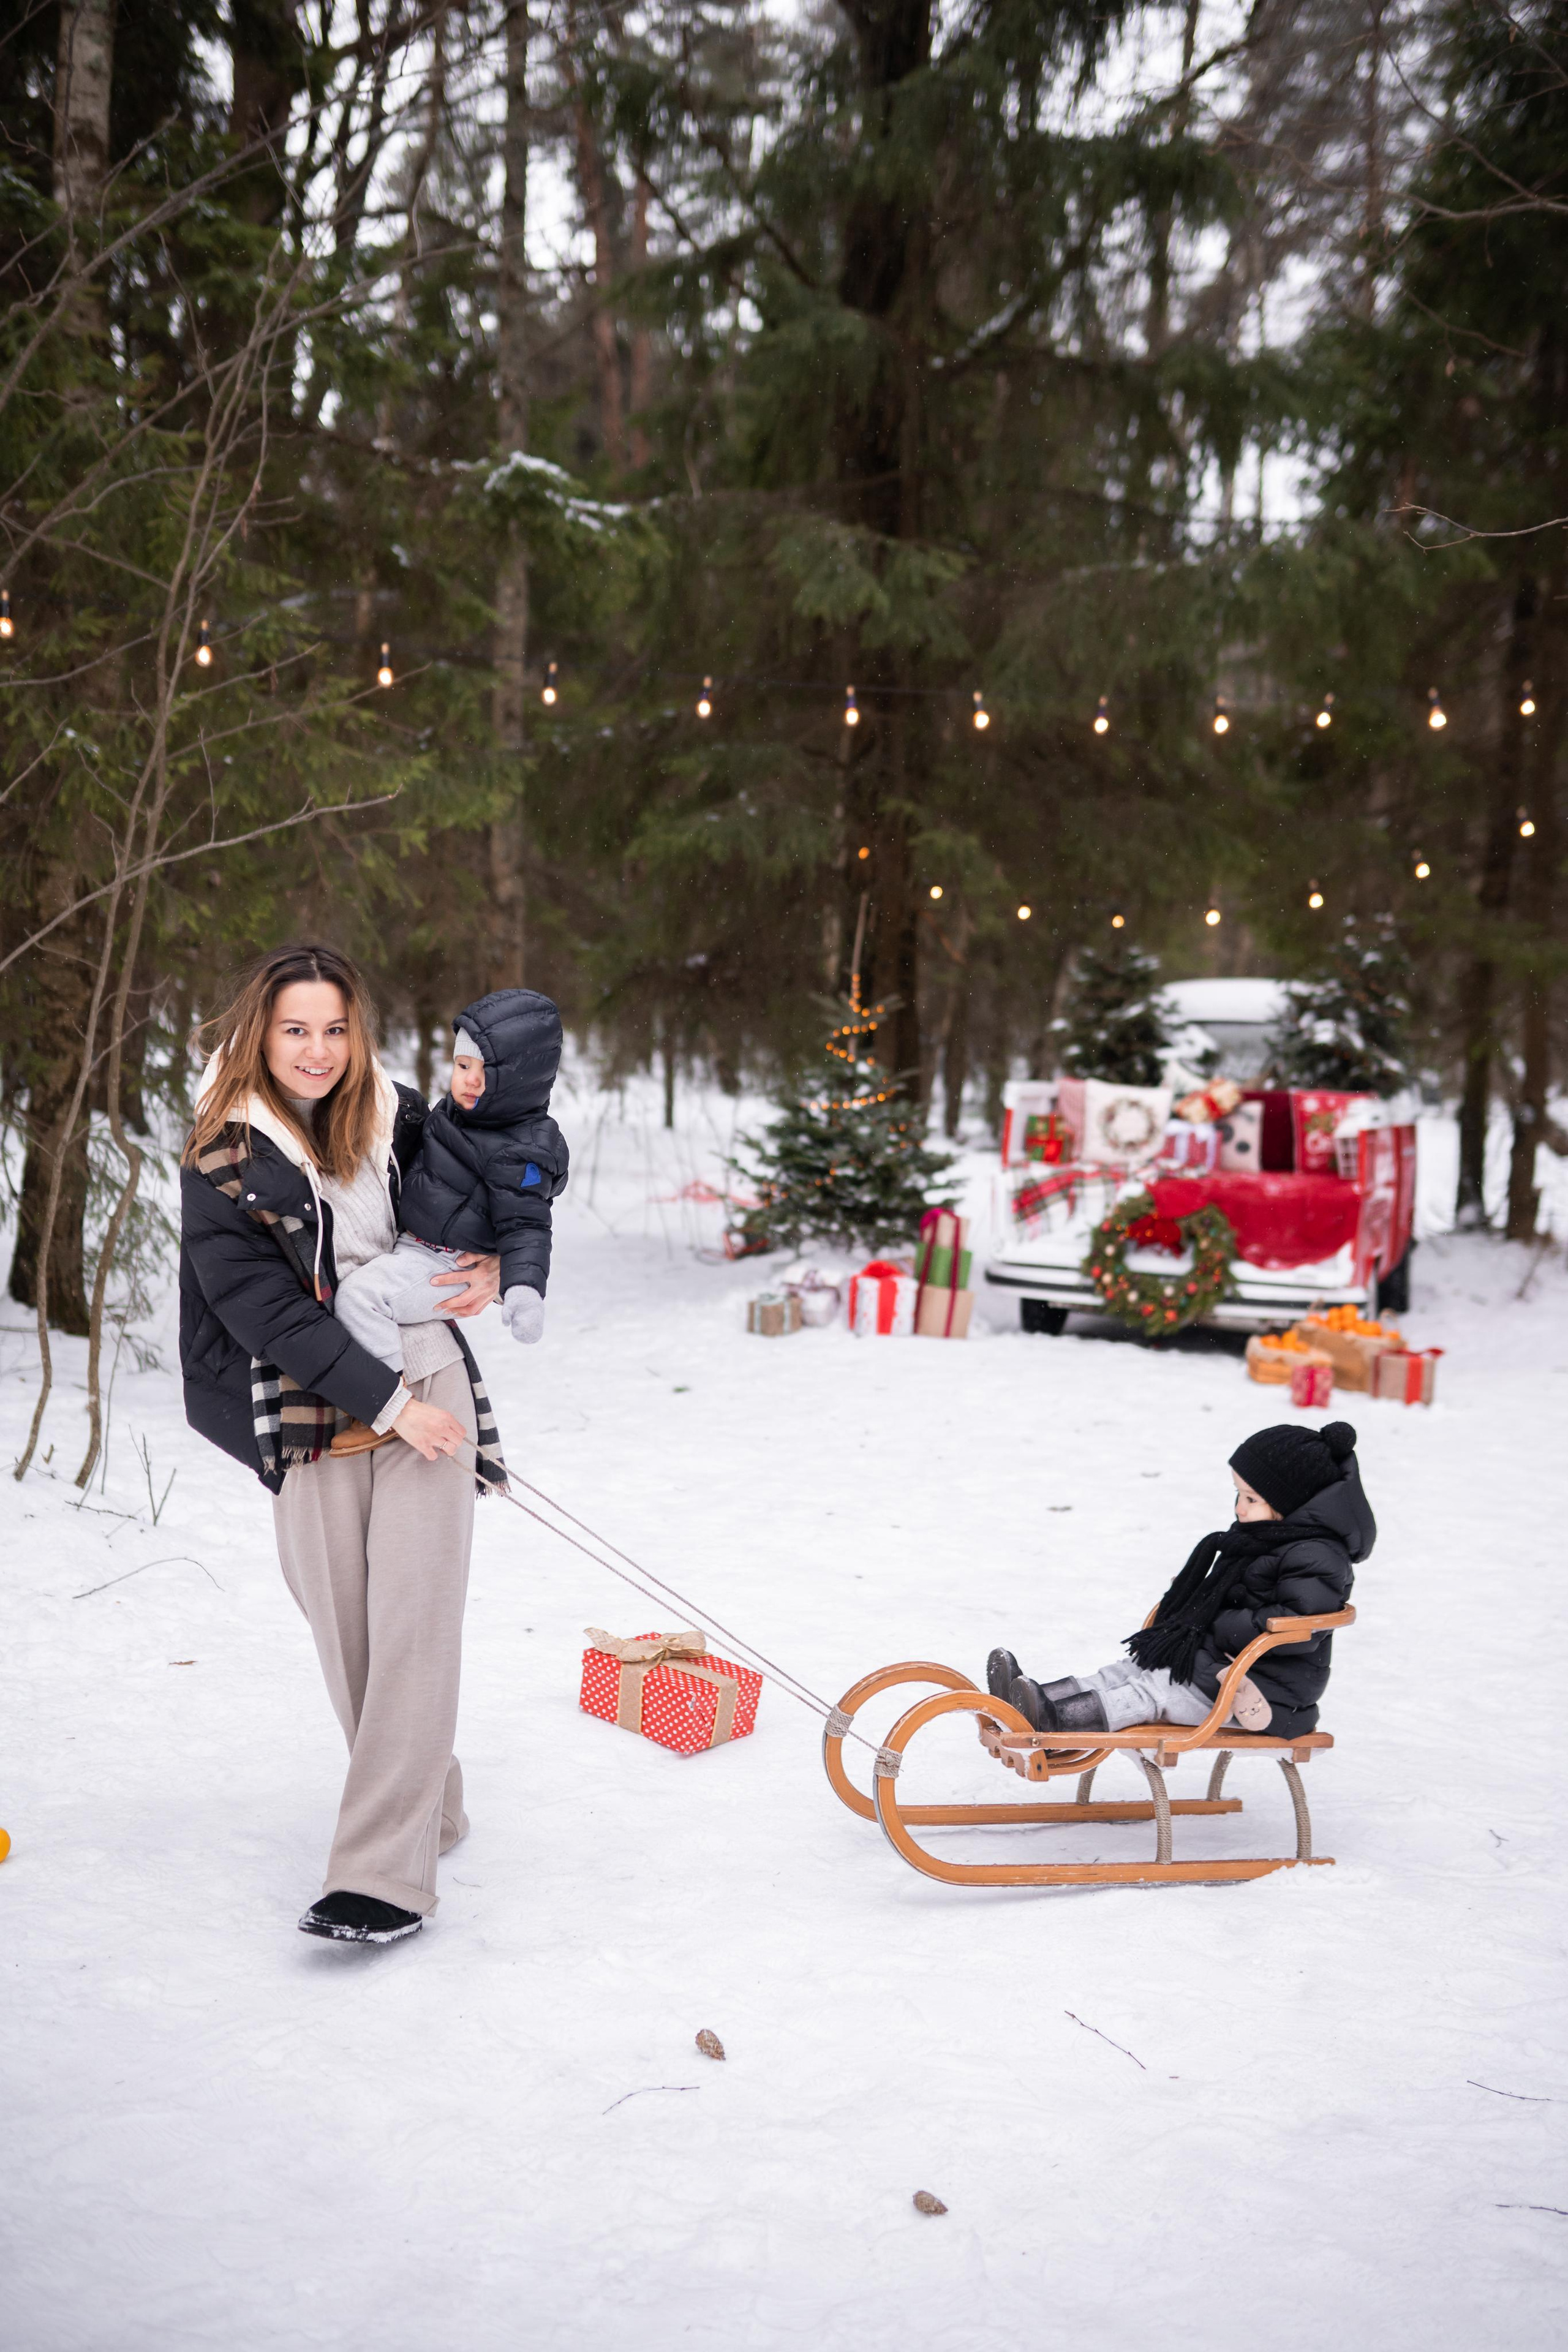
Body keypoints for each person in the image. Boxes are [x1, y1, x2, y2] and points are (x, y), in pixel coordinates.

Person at [179, 943, 508, 1947]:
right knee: (354, 1642)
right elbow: (265, 1311)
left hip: (427, 1381)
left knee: (412, 1627)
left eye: (334, 1028)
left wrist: (494, 1257)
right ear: (257, 1035)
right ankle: (429, 1807)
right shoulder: (223, 1159)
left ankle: (382, 1876)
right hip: (309, 1401)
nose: (317, 1051)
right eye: (294, 1030)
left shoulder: (403, 1116)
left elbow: (496, 1181)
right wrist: (387, 1404)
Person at [989, 1420, 1373, 1741]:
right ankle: (1035, 1701)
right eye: (1237, 1494)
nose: (1239, 1508)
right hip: (1221, 1667)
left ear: (1290, 1503)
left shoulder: (1317, 1555)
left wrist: (1214, 1617)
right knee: (1126, 1672)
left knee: (1151, 1693)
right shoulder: (1268, 1538)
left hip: (1264, 1691)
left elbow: (1298, 1626)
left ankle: (1055, 1722)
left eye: (1252, 1499)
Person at [327, 990, 568, 1450]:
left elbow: (527, 1226)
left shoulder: (520, 1149)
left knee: (360, 1297)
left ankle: (383, 1405)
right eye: (463, 1067)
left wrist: (522, 1291)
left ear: (522, 1080)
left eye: (487, 1072)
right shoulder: (452, 1115)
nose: (470, 1081)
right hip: (419, 1246)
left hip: (447, 1266)